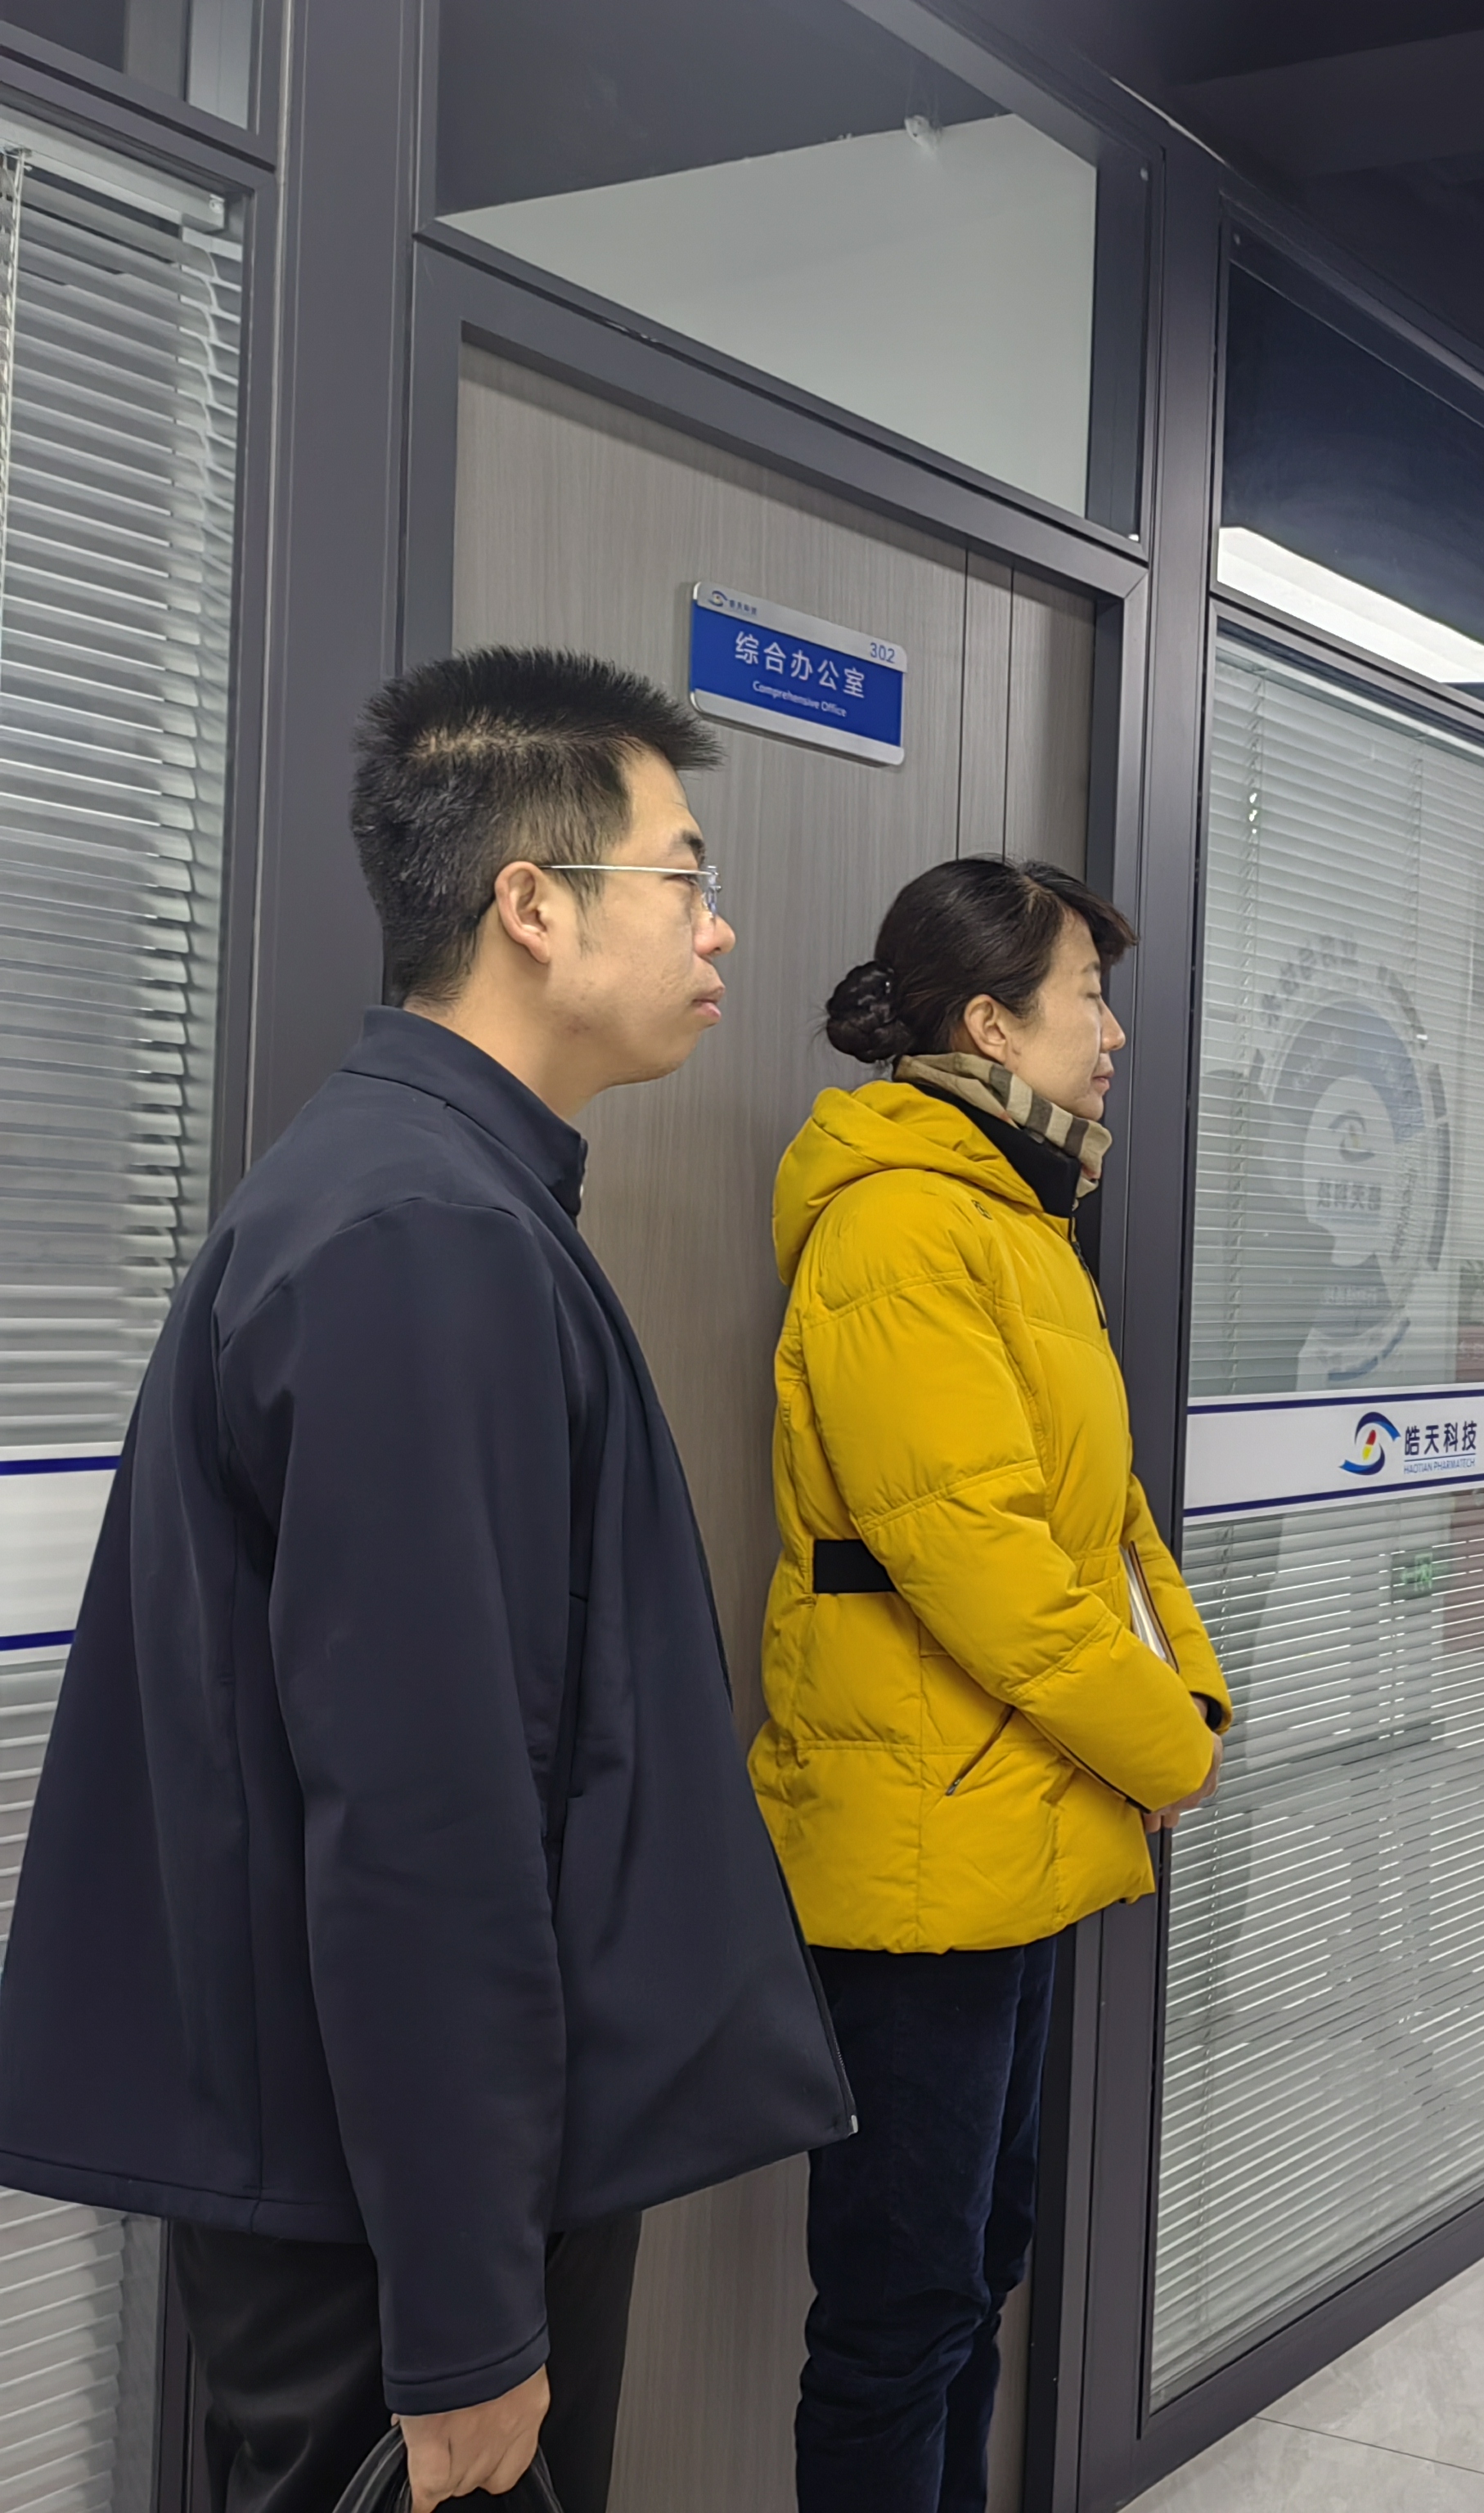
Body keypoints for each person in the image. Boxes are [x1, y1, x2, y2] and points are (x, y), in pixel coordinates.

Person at [0, 650, 855, 2513]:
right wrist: (464, 2321)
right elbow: (420, 1812)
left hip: (402, 2184)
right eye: (685, 875)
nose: (720, 924)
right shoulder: (418, 1234)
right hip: (400, 2227)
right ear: (532, 904)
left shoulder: (433, 1194)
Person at [761, 858, 1230, 2513]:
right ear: (987, 1021)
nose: (1112, 1031)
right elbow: (985, 1571)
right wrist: (1161, 1743)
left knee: (975, 2268)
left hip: (1007, 1825)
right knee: (900, 2312)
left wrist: (1190, 1699)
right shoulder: (900, 1225)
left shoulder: (1017, 1218)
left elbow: (1103, 1524)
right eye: (1086, 995)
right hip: (918, 1854)